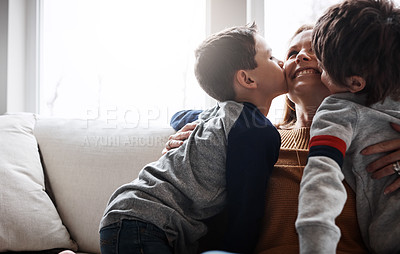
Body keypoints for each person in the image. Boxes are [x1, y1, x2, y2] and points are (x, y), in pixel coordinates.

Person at [165, 23, 400, 253]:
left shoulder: (377, 139)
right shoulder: (249, 139)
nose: (302, 57)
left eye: (316, 50)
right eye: (292, 53)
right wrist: (186, 151)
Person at [99, 23, 287, 254]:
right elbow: (246, 207)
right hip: (147, 224)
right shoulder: (256, 131)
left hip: (130, 215)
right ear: (247, 79)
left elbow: (179, 116)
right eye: (271, 57)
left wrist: (190, 128)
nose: (281, 62)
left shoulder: (220, 116)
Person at [295, 0, 400, 253]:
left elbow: (320, 180)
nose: (307, 59)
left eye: (322, 66)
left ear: (354, 83)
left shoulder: (337, 109)